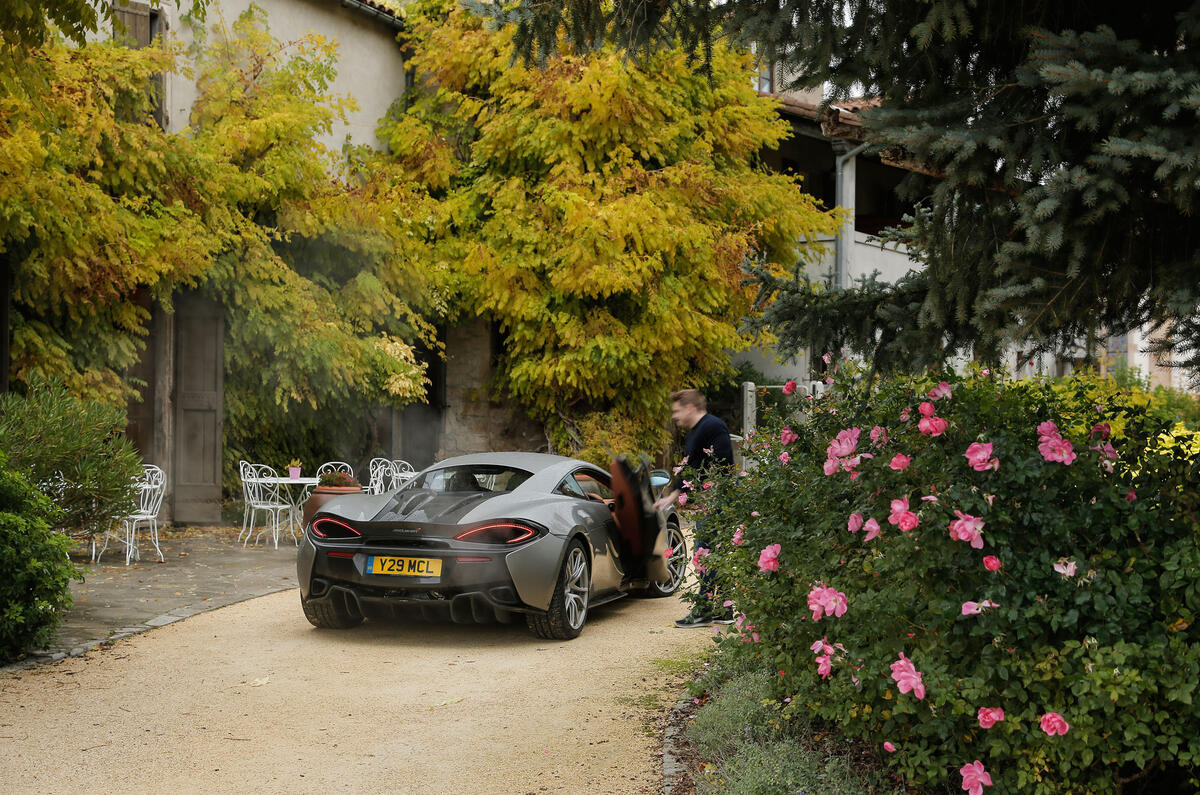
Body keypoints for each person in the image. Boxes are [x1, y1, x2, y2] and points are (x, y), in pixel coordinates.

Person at [653, 389, 734, 628]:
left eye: (677, 411)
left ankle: (703, 611)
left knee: (705, 554)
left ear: (690, 407)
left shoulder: (713, 427)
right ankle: (724, 609)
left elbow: (721, 464)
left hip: (716, 501)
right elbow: (693, 467)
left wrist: (709, 494)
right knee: (712, 555)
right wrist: (673, 495)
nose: (675, 417)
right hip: (709, 501)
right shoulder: (699, 430)